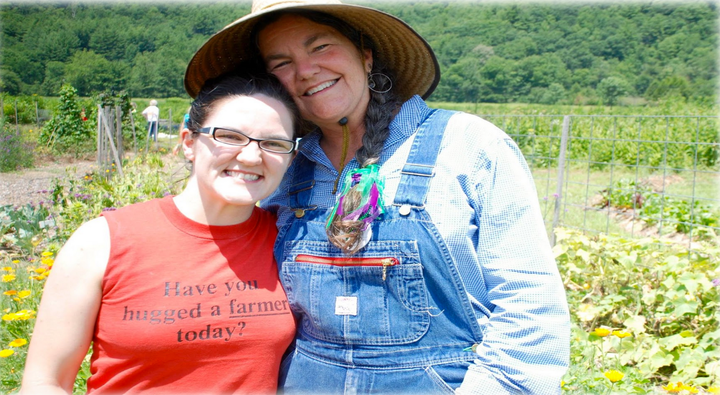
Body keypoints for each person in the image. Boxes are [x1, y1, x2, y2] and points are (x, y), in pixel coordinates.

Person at [185, 1, 571, 393]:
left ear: (366, 57)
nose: (304, 71)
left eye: (320, 47)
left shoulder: (468, 146)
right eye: (281, 63)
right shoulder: (282, 172)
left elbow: (530, 308)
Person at [20, 74, 301, 395]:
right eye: (230, 136)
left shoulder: (287, 242)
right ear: (189, 142)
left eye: (274, 143)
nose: (251, 157)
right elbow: (45, 382)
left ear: (291, 157)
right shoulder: (102, 242)